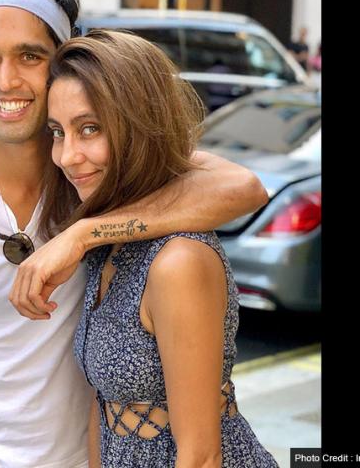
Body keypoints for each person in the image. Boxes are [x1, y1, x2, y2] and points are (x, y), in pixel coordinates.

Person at [0, 0, 268, 467]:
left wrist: (80, 235)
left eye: (29, 56)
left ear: (61, 60)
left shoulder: (96, 176)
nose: (6, 80)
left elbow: (244, 188)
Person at [41, 30, 278, 467]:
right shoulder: (110, 242)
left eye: (90, 129)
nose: (67, 156)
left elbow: (201, 457)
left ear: (138, 129)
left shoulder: (177, 260)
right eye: (58, 132)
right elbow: (105, 406)